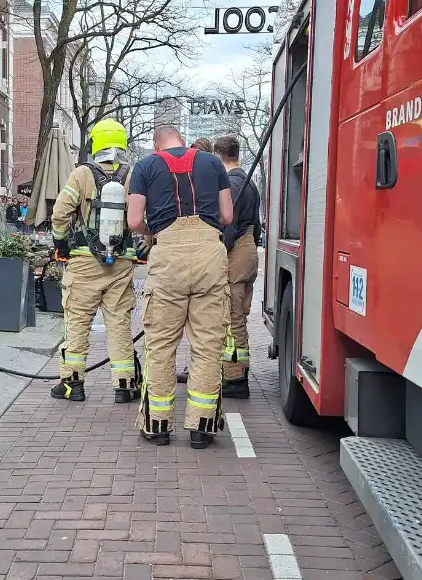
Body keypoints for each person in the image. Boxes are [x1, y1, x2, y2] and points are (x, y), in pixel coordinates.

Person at [128, 125, 233, 448]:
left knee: (160, 345)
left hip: (168, 257)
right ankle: (201, 428)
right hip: (209, 257)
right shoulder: (213, 163)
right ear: (181, 140)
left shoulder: (145, 166)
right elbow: (227, 216)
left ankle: (157, 425)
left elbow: (133, 221)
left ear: (157, 143)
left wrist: (153, 230)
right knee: (207, 344)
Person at [49, 118, 147, 404]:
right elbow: (143, 219)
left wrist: (61, 244)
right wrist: (141, 248)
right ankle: (125, 385)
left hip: (83, 262)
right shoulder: (133, 175)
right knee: (119, 324)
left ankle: (72, 384)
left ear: (96, 143)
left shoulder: (81, 173)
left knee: (78, 322)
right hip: (121, 264)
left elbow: (60, 213)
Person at [176, 136, 262, 390]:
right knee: (238, 312)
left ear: (217, 156)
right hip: (247, 250)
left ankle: (235, 377)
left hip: (236, 252)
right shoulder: (246, 180)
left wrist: (211, 255)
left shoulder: (233, 183)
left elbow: (228, 225)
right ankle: (235, 372)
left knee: (232, 315)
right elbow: (254, 225)